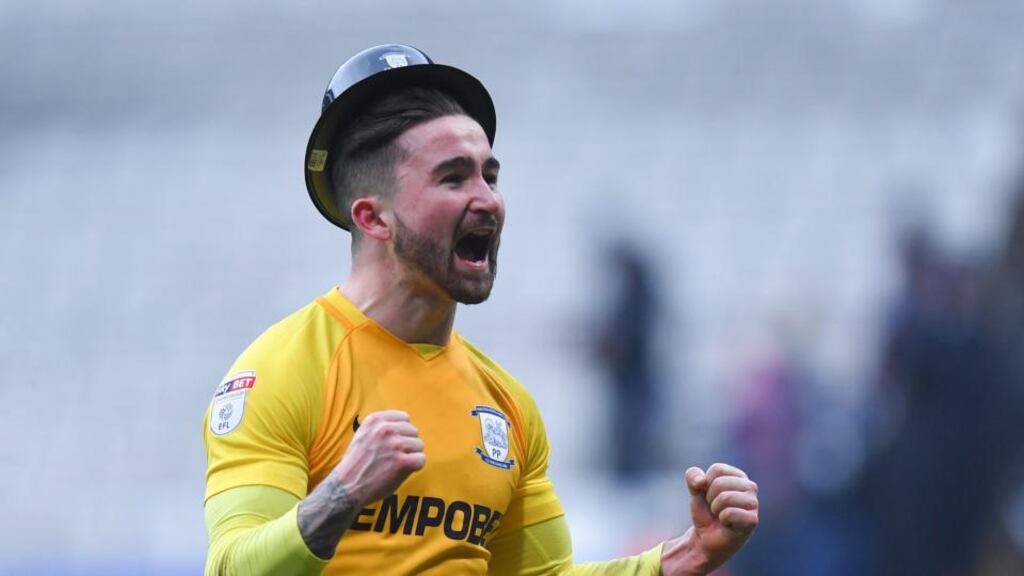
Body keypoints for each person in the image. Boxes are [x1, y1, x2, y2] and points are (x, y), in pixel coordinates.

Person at [202, 44, 759, 575]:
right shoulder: (281, 371)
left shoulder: (507, 406)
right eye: (453, 177)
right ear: (374, 219)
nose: (488, 199)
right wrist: (342, 494)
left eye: (490, 175)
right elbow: (230, 567)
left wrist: (680, 559)